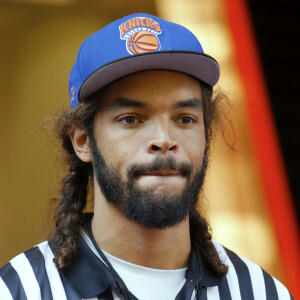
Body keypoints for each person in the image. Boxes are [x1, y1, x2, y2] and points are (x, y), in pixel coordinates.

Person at [0, 13, 293, 300]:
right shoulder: (19, 290)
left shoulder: (263, 292)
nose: (164, 140)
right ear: (83, 141)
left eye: (185, 119)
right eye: (131, 119)